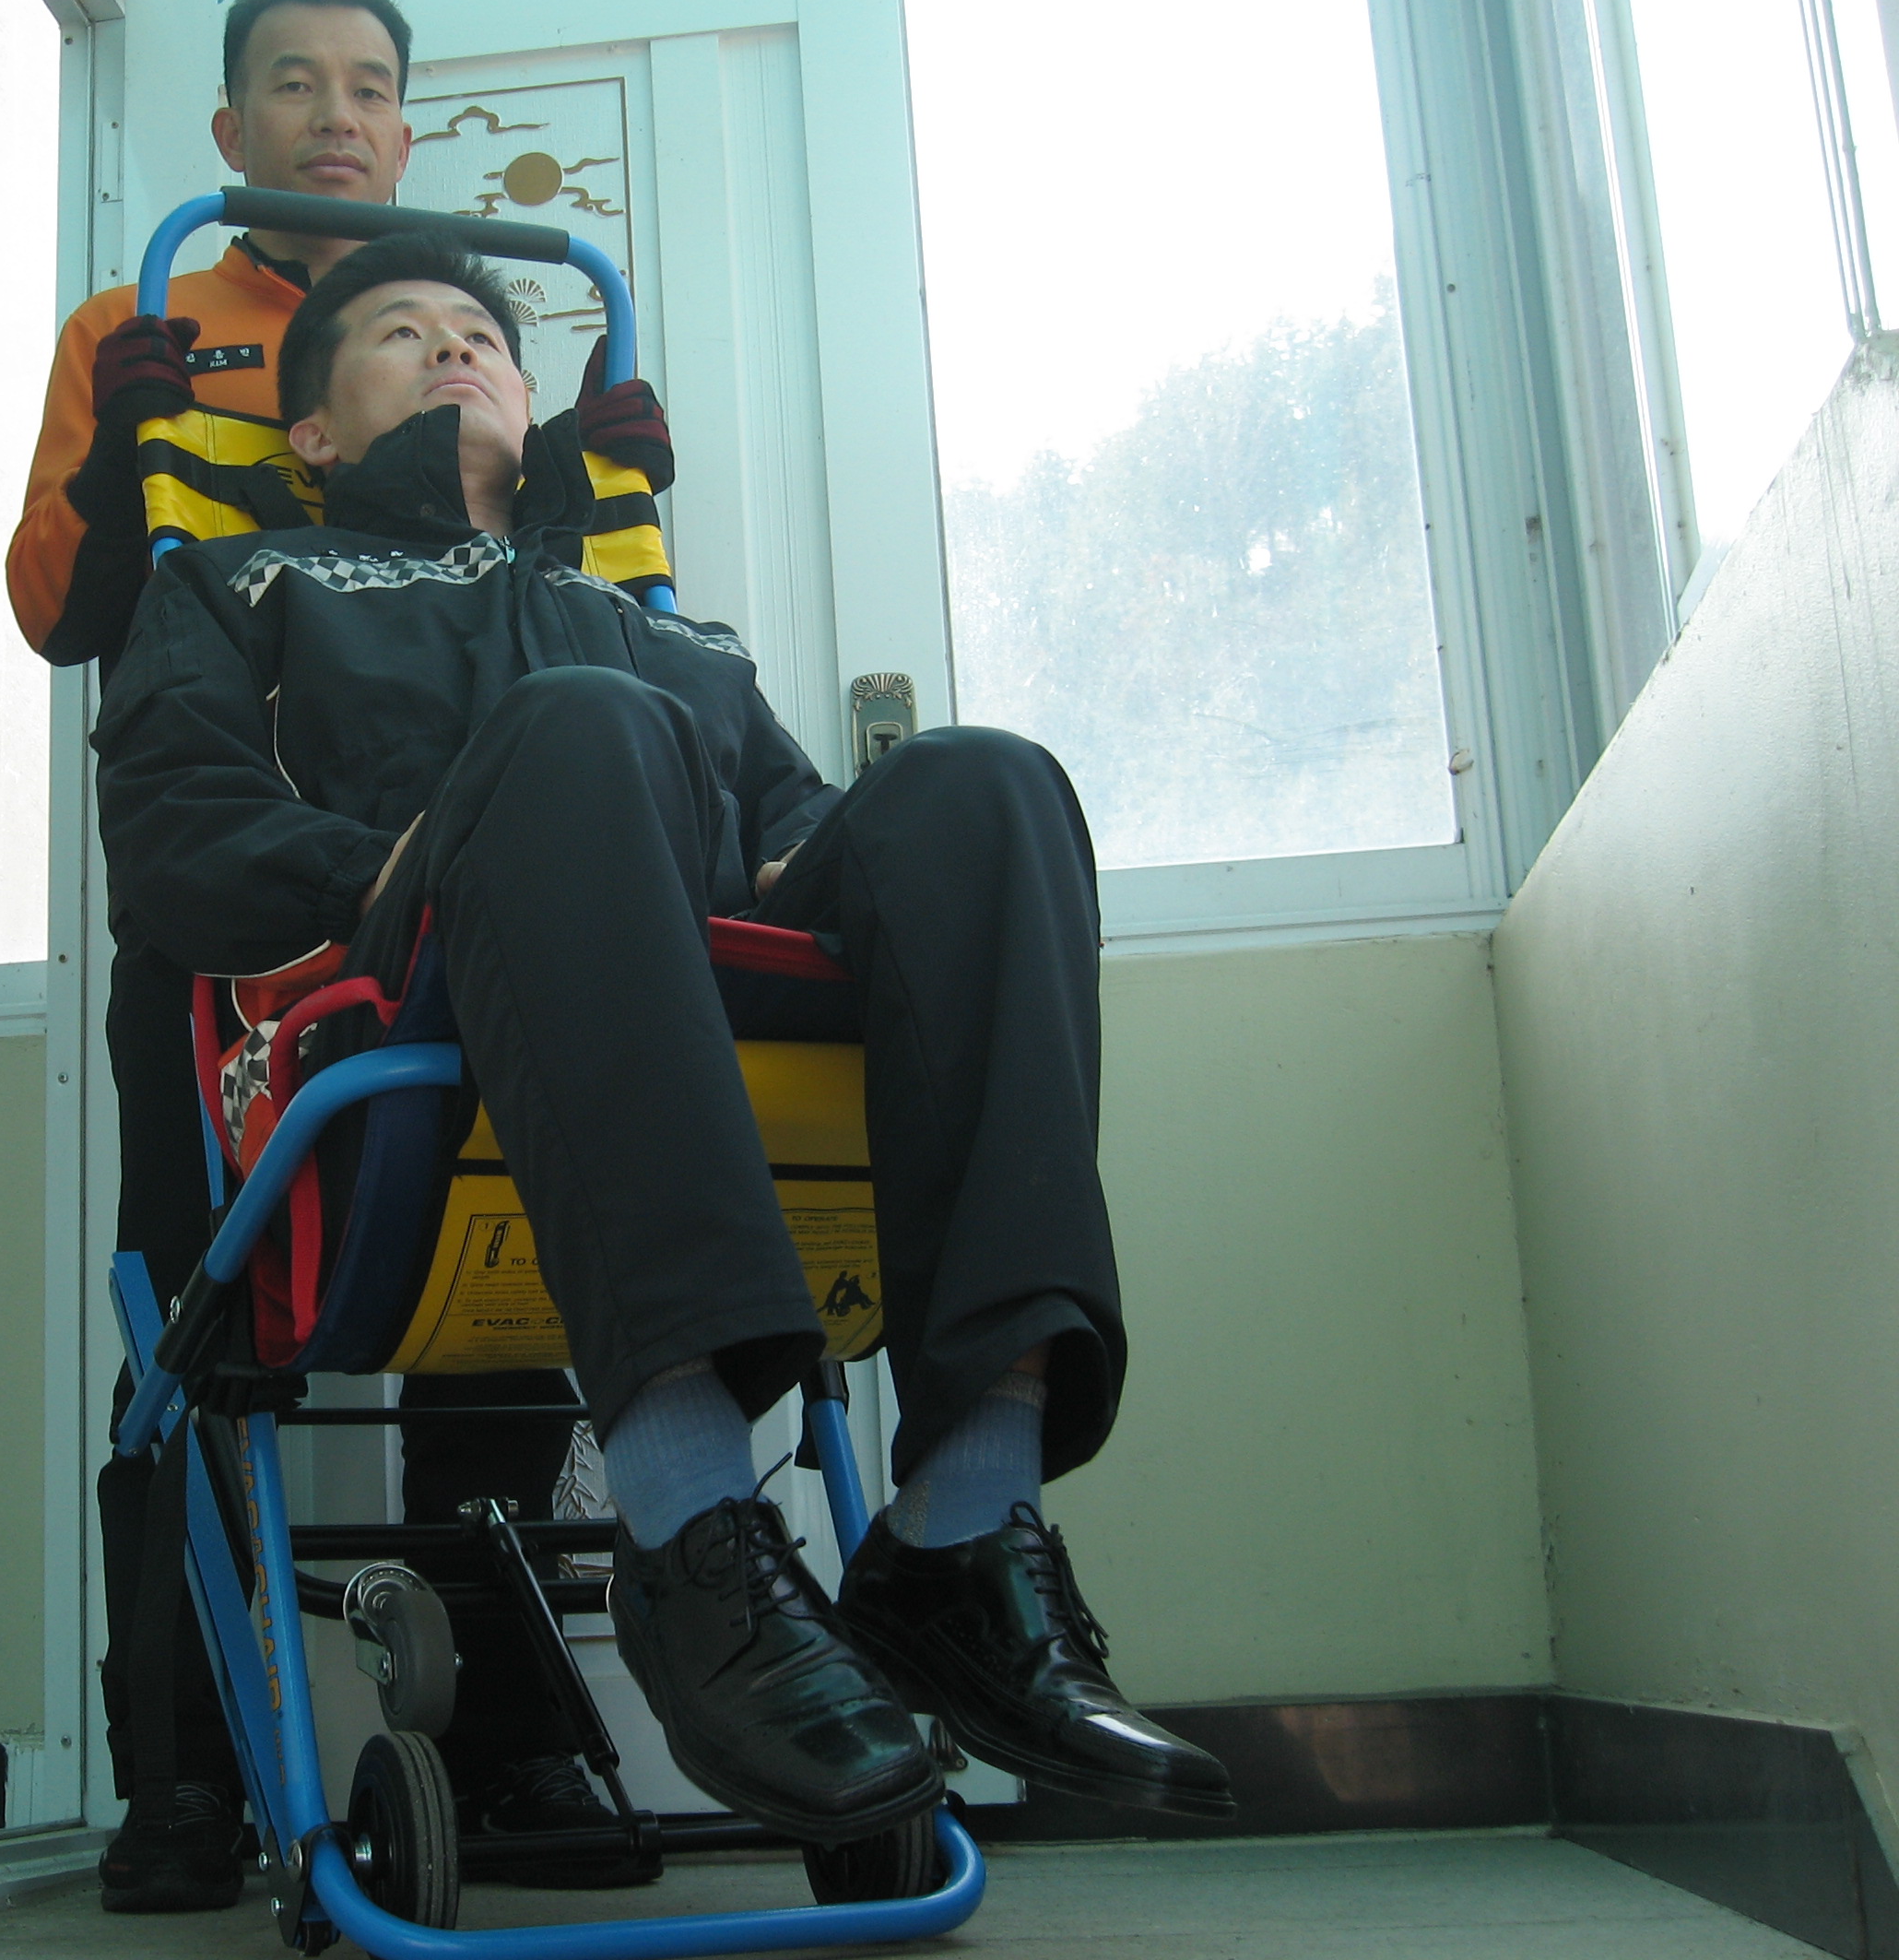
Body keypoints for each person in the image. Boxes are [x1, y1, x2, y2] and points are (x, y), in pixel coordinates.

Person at [92, 233, 1239, 1848]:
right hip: (401, 1085)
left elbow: (796, 838)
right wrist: (413, 860)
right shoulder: (239, 586)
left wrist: (802, 856)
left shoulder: (676, 640)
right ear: (313, 436)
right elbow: (174, 836)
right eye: (401, 332)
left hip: (704, 1073)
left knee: (989, 789)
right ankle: (692, 1518)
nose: (455, 348)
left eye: (484, 334)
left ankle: (968, 1526)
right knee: (580, 733)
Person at [4, 0, 677, 1912]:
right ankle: (181, 1775)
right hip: (251, 903)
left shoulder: (476, 329)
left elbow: (577, 620)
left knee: (503, 1302)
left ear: (405, 126)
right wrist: (123, 465)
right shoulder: (139, 324)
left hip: (501, 897)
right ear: (232, 130)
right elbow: (65, 617)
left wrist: (602, 484)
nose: (334, 115)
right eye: (292, 84)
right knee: (190, 1314)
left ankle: (505, 1736)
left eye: (370, 87)